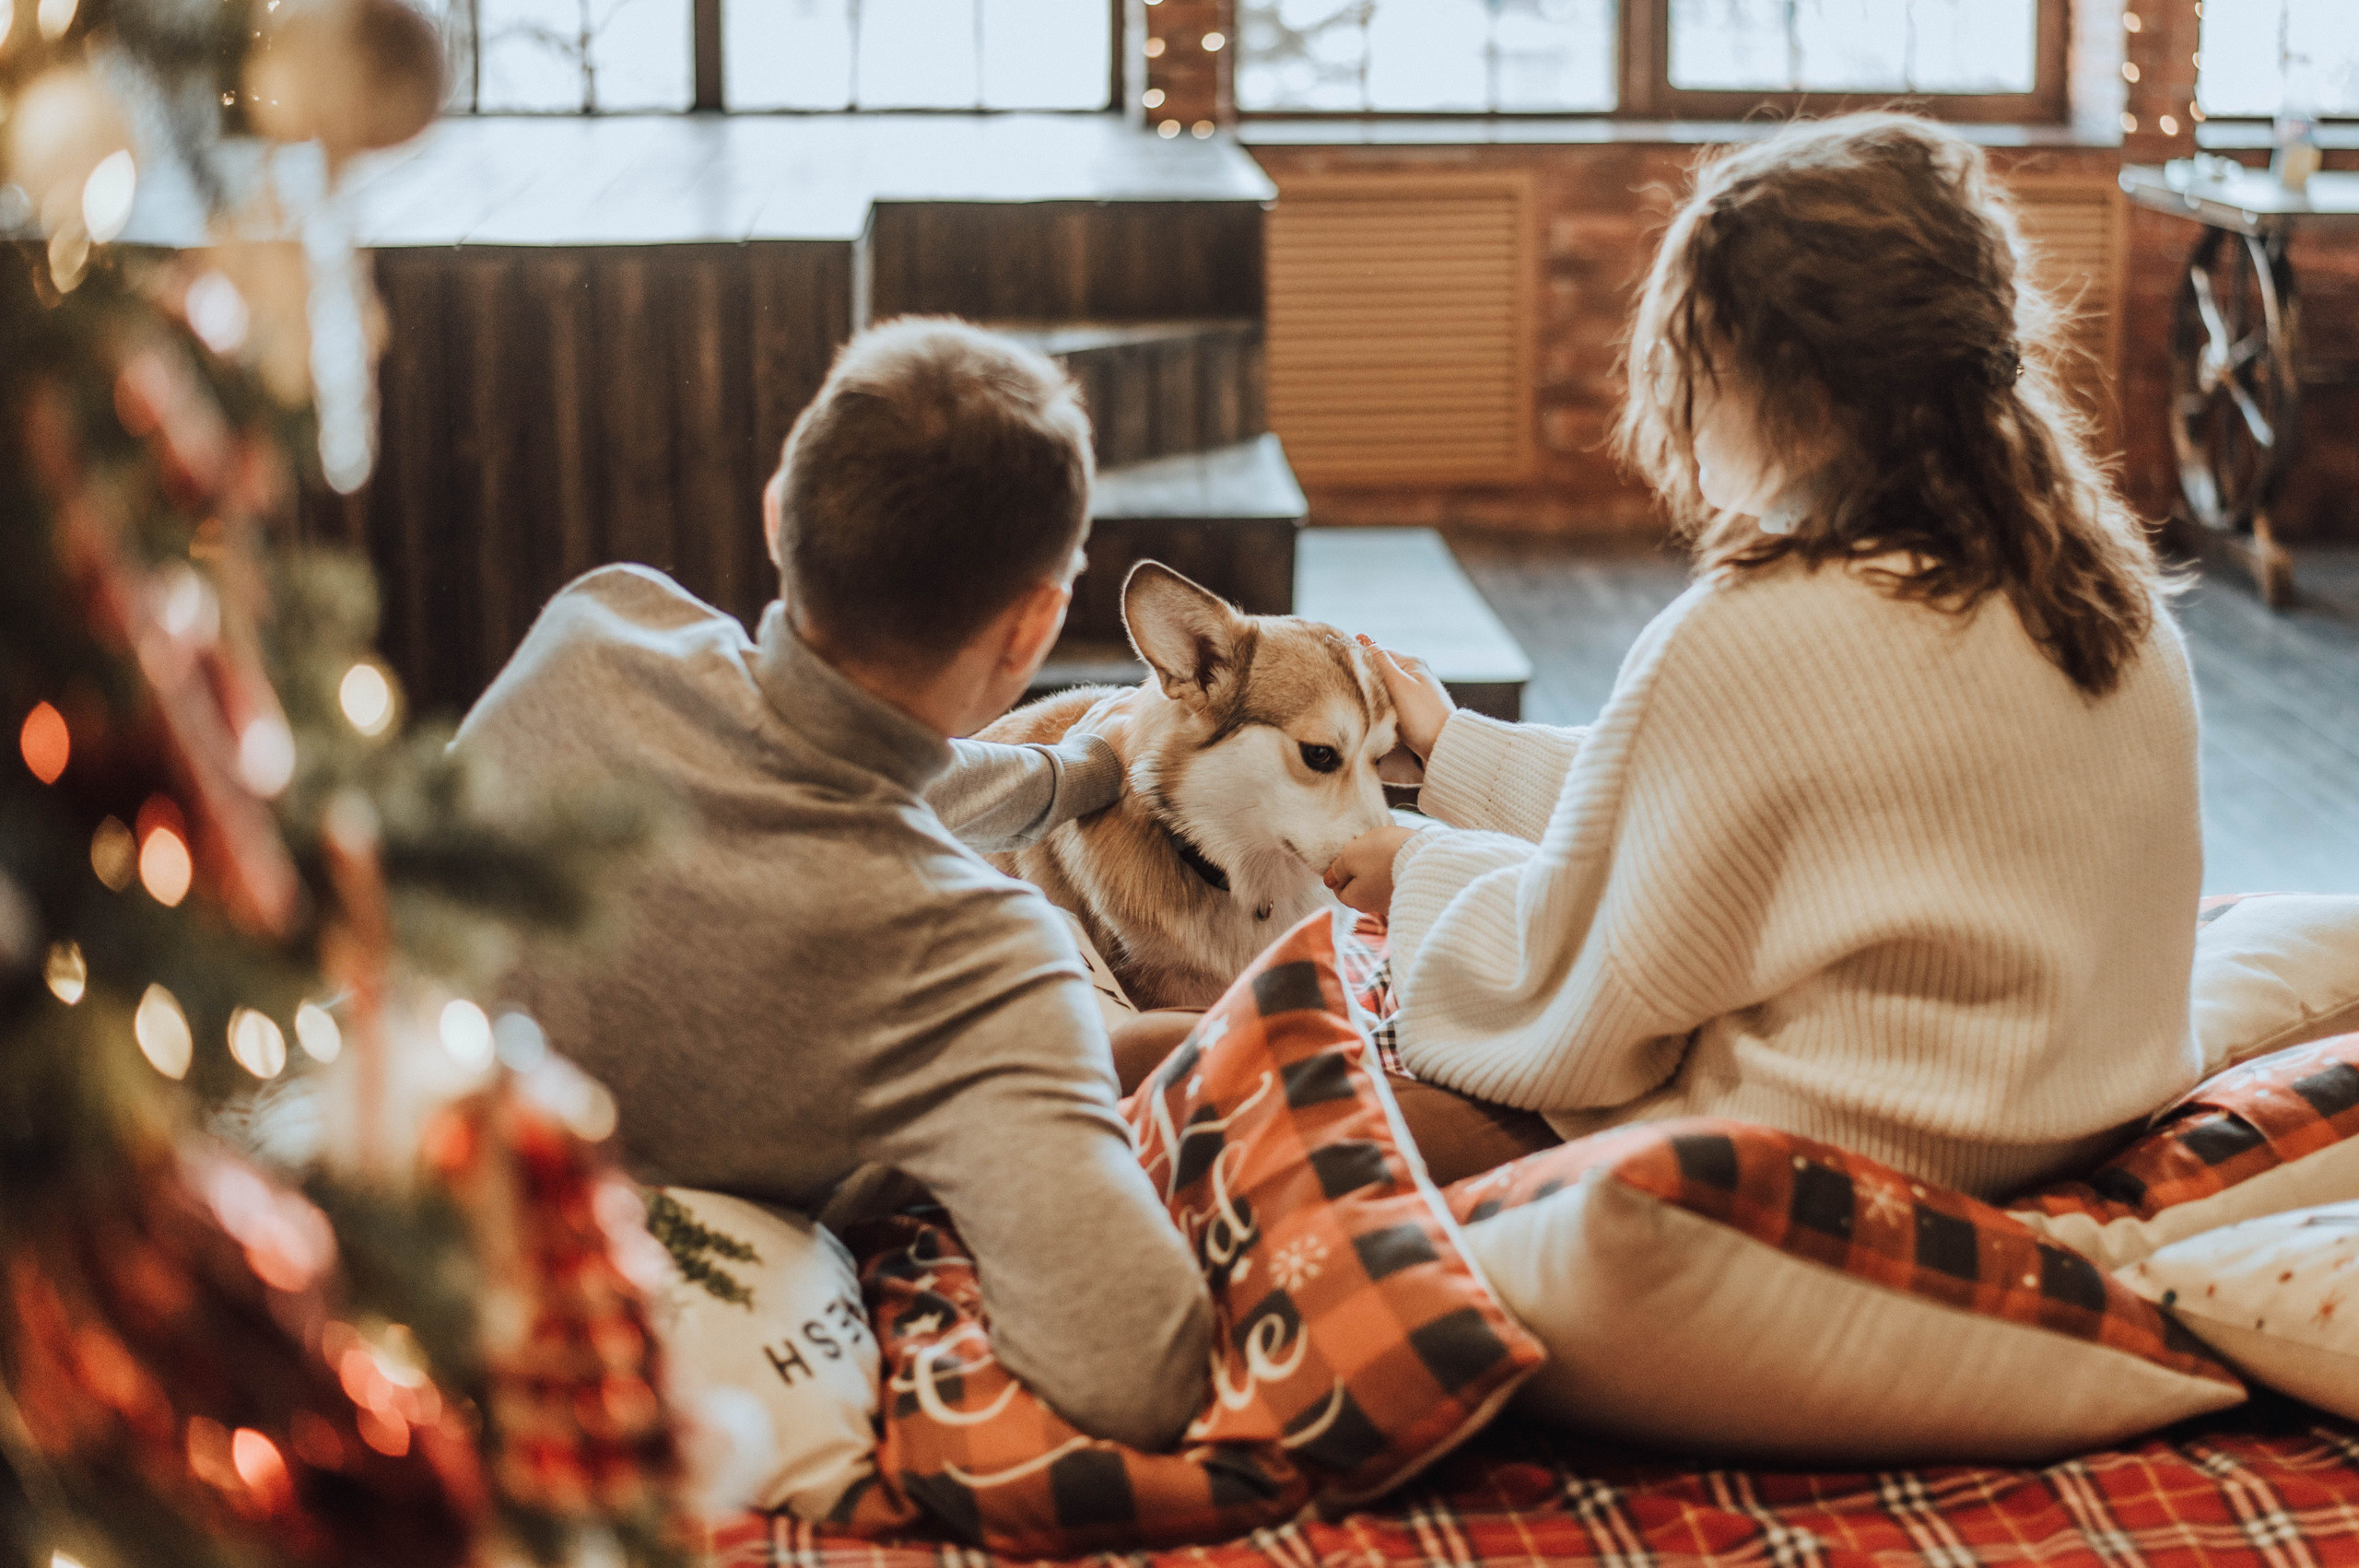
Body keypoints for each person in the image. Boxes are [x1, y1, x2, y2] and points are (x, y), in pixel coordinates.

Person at [1323, 113, 2204, 1200]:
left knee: (1257, 1082)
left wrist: (1418, 870)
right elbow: (1734, 814)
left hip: (1821, 1168)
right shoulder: (2101, 595)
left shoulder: (1752, 635)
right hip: (2060, 1123)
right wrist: (1454, 751)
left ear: (1766, 370)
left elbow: (1592, 1007)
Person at [457, 318, 1212, 1450]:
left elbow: (812, 755)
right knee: (1177, 1046)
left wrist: (1075, 777)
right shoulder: (982, 964)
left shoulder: (602, 626)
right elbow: (1139, 1372)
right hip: (651, 1268)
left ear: (778, 510)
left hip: (417, 1181)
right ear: (1033, 629)